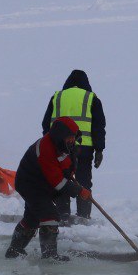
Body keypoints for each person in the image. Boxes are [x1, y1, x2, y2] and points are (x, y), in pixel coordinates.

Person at [6, 117, 90, 261]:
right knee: (50, 216)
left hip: (42, 185)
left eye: (73, 138)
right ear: (60, 135)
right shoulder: (45, 148)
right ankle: (49, 256)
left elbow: (64, 168)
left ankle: (14, 251)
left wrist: (69, 172)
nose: (72, 140)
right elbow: (57, 183)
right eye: (69, 137)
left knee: (32, 219)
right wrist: (78, 190)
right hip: (30, 185)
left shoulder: (62, 145)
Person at [40, 69, 106, 221]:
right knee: (83, 180)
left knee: (62, 179)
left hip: (60, 148)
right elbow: (98, 126)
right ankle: (83, 216)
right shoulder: (91, 98)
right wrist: (99, 149)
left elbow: (46, 124)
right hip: (84, 148)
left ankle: (63, 215)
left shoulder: (57, 97)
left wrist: (49, 144)